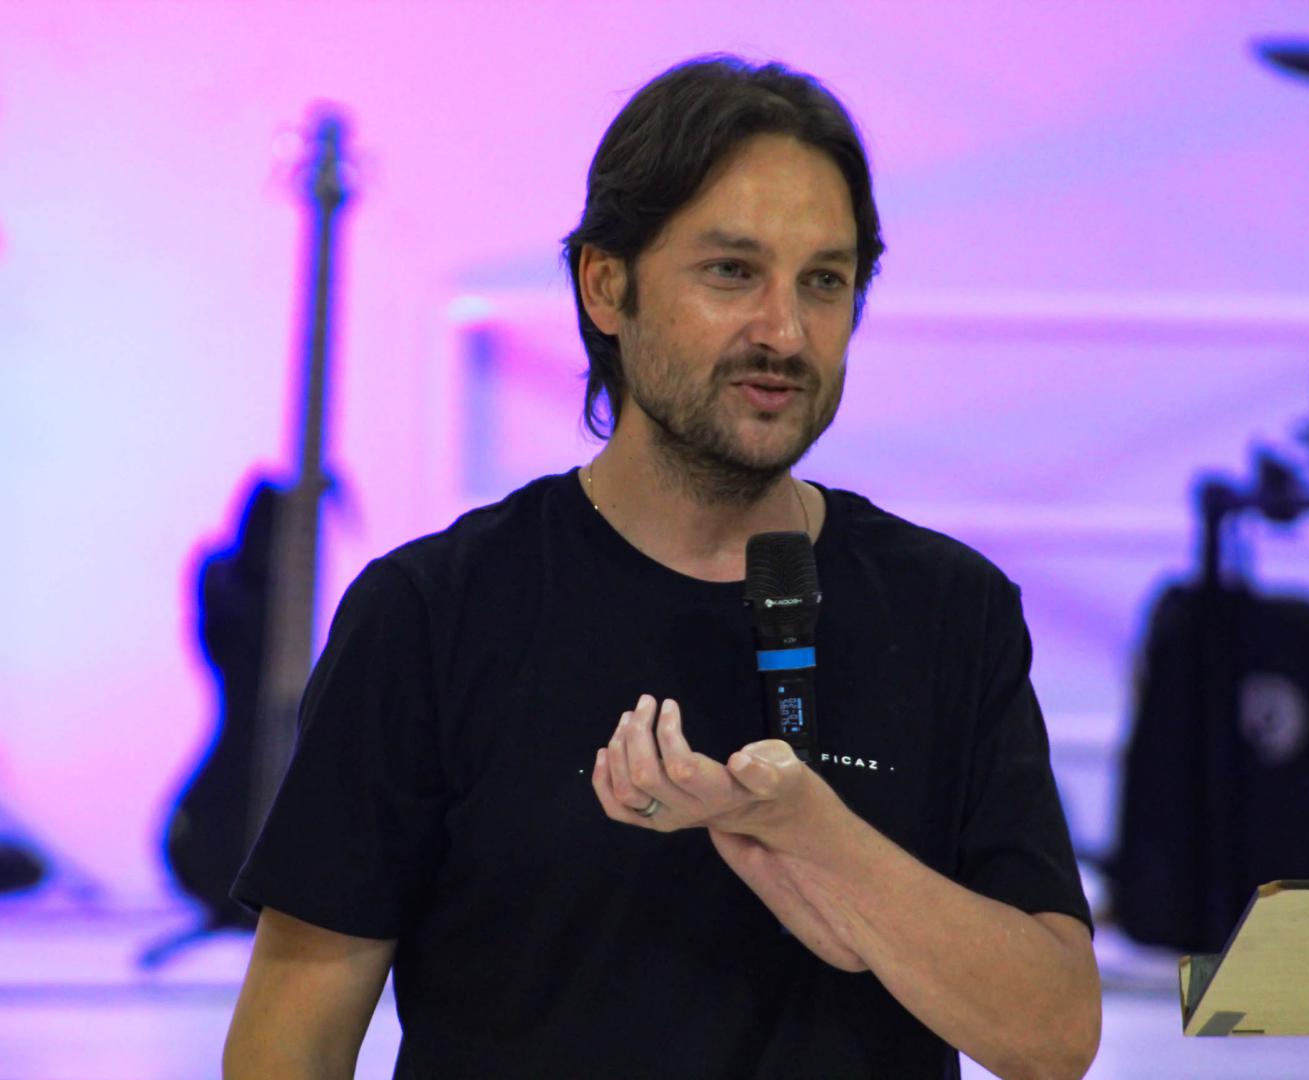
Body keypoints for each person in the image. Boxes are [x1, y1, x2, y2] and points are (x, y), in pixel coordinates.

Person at [224, 55, 1101, 1080]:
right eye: (732, 271)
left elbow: (1052, 1037)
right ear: (607, 284)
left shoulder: (950, 610)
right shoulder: (434, 612)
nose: (785, 331)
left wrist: (816, 836)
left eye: (824, 281)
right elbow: (294, 1032)